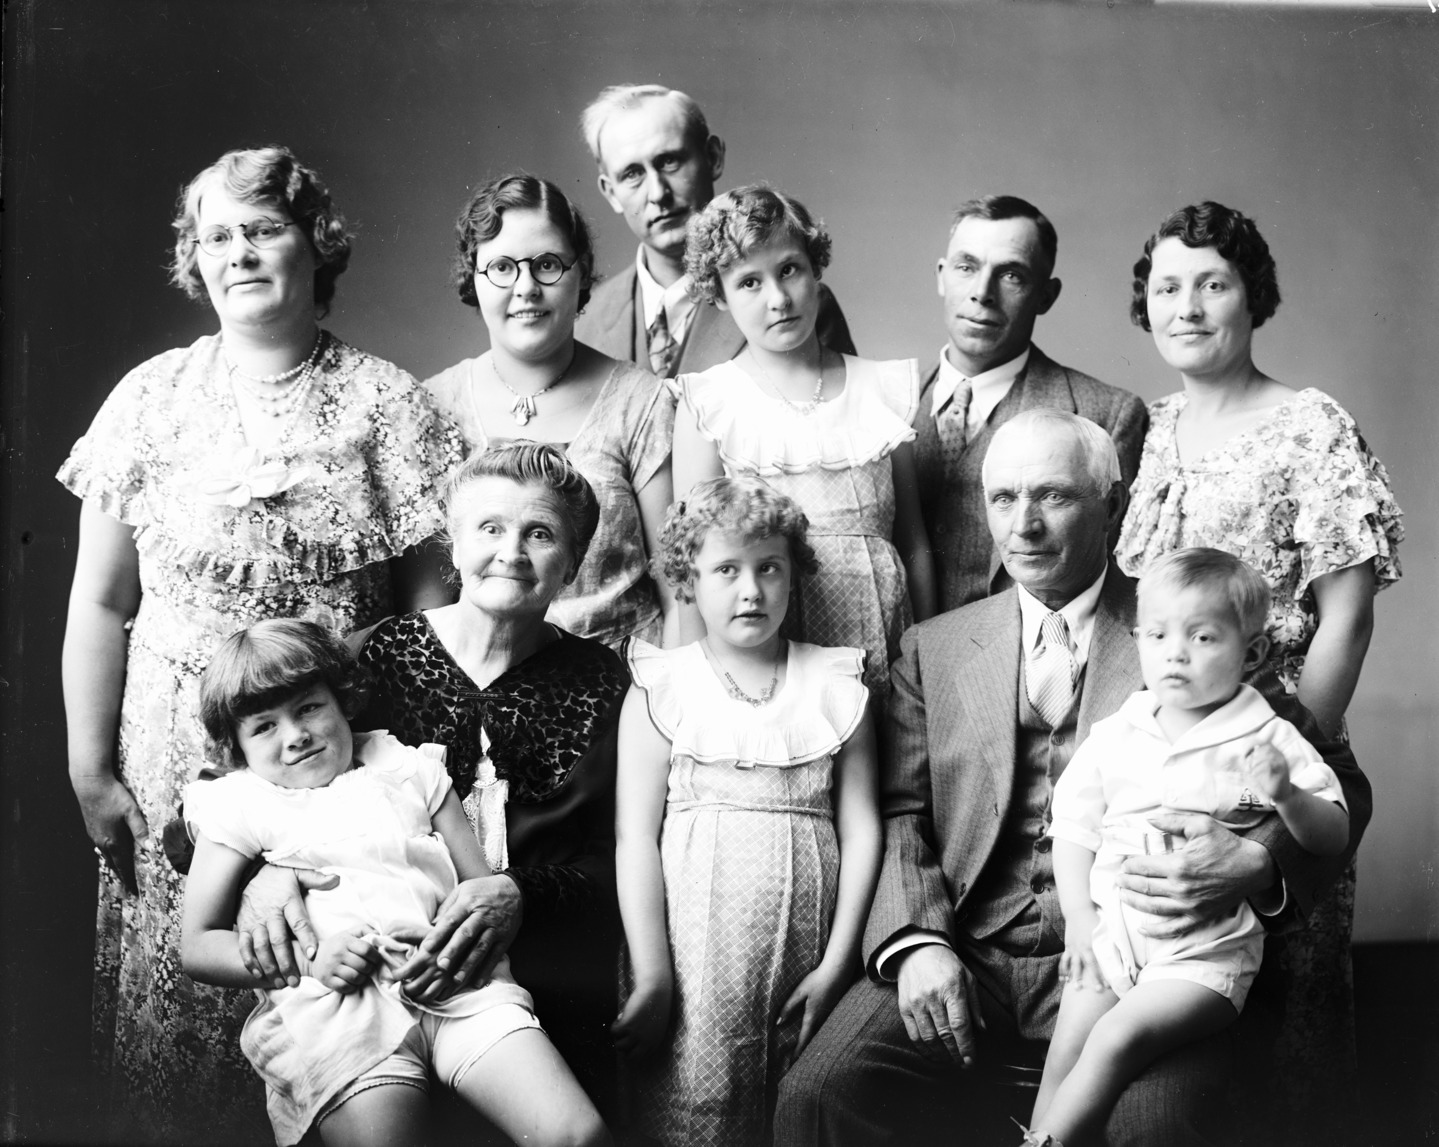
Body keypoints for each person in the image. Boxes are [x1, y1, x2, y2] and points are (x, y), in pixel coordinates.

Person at [772, 409, 1371, 1147]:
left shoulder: (1183, 626)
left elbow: (1339, 782)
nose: (1023, 525)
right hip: (970, 949)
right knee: (819, 1092)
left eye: (1052, 496)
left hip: (1148, 957)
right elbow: (900, 811)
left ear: (1111, 506)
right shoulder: (934, 647)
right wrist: (918, 942)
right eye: (1003, 498)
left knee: (1152, 1127)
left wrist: (1255, 859)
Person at [58, 145, 463, 1142]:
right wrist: (90, 769)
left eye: (265, 228)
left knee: (334, 1008)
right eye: (218, 236)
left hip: (333, 763)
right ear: (194, 258)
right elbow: (101, 601)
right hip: (174, 761)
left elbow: (429, 623)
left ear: (316, 243)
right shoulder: (149, 397)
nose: (239, 252)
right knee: (189, 1010)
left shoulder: (388, 404)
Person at [1115, 201, 1403, 1134]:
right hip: (1166, 758)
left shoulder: (1307, 425)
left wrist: (1271, 773)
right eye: (1167, 287)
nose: (1188, 306)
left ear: (1253, 298)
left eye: (1213, 284)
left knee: (1283, 1021)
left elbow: (1346, 615)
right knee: (1176, 1023)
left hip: (1272, 760)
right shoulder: (1151, 430)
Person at [233, 444, 630, 1119]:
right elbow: (239, 789)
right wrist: (265, 872)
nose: (511, 552)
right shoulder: (370, 655)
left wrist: (521, 892)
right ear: (455, 544)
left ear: (572, 562)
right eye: (489, 528)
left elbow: (625, 854)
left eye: (540, 534)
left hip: (539, 978)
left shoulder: (605, 684)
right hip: (367, 975)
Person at [181, 620, 608, 1147]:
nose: (295, 736)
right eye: (264, 727)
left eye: (309, 707)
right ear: (236, 746)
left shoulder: (409, 767)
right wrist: (312, 960)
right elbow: (198, 946)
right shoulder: (239, 804)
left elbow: (478, 890)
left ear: (343, 701)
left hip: (458, 987)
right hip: (339, 1010)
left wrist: (459, 945)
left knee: (579, 1135)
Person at [1026, 549, 1348, 1147]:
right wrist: (1080, 922)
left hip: (1204, 958)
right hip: (1113, 941)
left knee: (1115, 1038)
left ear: (1251, 653)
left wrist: (1286, 795)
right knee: (1067, 1045)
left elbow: (1332, 835)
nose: (1175, 653)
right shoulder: (1117, 733)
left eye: (1202, 637)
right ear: (1138, 641)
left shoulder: (1269, 735)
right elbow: (1073, 829)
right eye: (1158, 635)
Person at [613, 476, 881, 1146]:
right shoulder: (662, 685)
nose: (751, 590)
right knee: (697, 1103)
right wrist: (653, 973)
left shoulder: (835, 683)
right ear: (687, 580)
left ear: (794, 574)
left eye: (769, 568)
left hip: (810, 948)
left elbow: (862, 828)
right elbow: (633, 837)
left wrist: (837, 964)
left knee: (791, 1101)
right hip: (693, 955)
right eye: (726, 570)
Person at [671, 185, 935, 694]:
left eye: (789, 269)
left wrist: (930, 663)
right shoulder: (710, 403)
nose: (778, 298)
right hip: (770, 656)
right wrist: (701, 692)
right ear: (720, 297)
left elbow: (915, 543)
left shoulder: (881, 391)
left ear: (815, 268)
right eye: (750, 282)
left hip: (888, 649)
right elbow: (691, 566)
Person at [426, 174, 676, 649]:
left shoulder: (641, 401)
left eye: (546, 265)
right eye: (502, 267)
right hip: (477, 681)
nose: (526, 288)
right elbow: (428, 608)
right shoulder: (434, 406)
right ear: (473, 278)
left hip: (624, 681)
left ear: (581, 273)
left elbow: (679, 590)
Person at [917, 195, 1148, 612]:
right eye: (966, 267)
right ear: (941, 276)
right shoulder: (883, 406)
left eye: (1011, 275)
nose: (982, 293)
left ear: (1046, 295)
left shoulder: (1106, 415)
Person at [575, 83, 855, 375]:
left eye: (669, 162)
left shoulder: (797, 305)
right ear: (611, 192)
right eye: (632, 174)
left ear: (713, 157)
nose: (658, 193)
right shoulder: (584, 321)